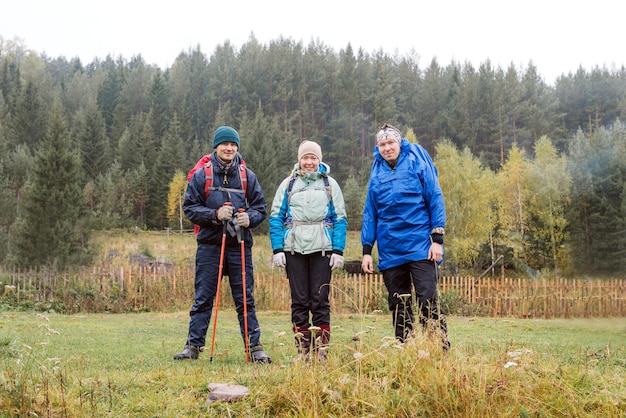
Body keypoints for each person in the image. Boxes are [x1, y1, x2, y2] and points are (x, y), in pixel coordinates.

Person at [174, 126, 272, 363]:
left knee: (245, 298)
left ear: (237, 147)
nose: (229, 148)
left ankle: (255, 348)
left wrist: (249, 218)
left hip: (239, 245)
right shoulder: (202, 176)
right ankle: (193, 347)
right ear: (216, 147)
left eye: (233, 145)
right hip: (210, 246)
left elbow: (260, 208)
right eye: (224, 144)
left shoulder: (247, 175)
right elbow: (190, 208)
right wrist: (215, 215)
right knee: (204, 298)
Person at [361, 123, 450, 351]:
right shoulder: (377, 170)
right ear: (378, 147)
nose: (387, 148)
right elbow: (371, 212)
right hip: (390, 249)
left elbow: (435, 197)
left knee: (427, 299)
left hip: (421, 244)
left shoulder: (416, 161)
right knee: (399, 303)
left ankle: (437, 349)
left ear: (399, 143)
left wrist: (437, 239)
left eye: (391, 142)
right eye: (382, 144)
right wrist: (366, 251)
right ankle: (406, 350)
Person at [269, 140, 348, 361]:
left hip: (323, 249)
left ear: (319, 160)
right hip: (294, 250)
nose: (309, 162)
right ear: (299, 160)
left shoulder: (330, 184)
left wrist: (338, 250)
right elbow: (276, 217)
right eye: (305, 157)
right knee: (300, 301)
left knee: (320, 299)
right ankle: (303, 351)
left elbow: (340, 218)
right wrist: (278, 249)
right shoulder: (288, 184)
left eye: (313, 158)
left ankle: (321, 351)